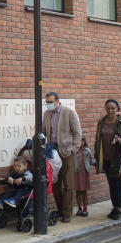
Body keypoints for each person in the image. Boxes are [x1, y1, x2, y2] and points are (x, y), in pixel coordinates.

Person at [41, 91, 82, 223]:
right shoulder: (46, 114)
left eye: (51, 102)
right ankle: (60, 210)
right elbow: (43, 132)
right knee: (55, 183)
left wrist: (73, 150)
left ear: (58, 101)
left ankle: (67, 212)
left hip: (67, 152)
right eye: (47, 102)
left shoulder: (69, 113)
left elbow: (78, 133)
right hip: (52, 152)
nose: (48, 104)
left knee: (68, 184)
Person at [95, 99, 121, 220]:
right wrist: (97, 155)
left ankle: (118, 209)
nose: (110, 110)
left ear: (117, 109)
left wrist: (119, 140)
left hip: (117, 158)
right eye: (108, 108)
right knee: (111, 183)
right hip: (105, 158)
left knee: (117, 184)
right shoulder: (101, 122)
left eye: (113, 108)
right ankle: (114, 206)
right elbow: (97, 140)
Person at [75, 136, 95, 217]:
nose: (81, 143)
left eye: (82, 141)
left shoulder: (87, 150)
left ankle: (85, 208)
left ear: (84, 141)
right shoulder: (75, 150)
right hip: (76, 172)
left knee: (84, 191)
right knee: (78, 191)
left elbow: (91, 161)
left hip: (84, 172)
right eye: (79, 141)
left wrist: (98, 164)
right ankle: (79, 208)